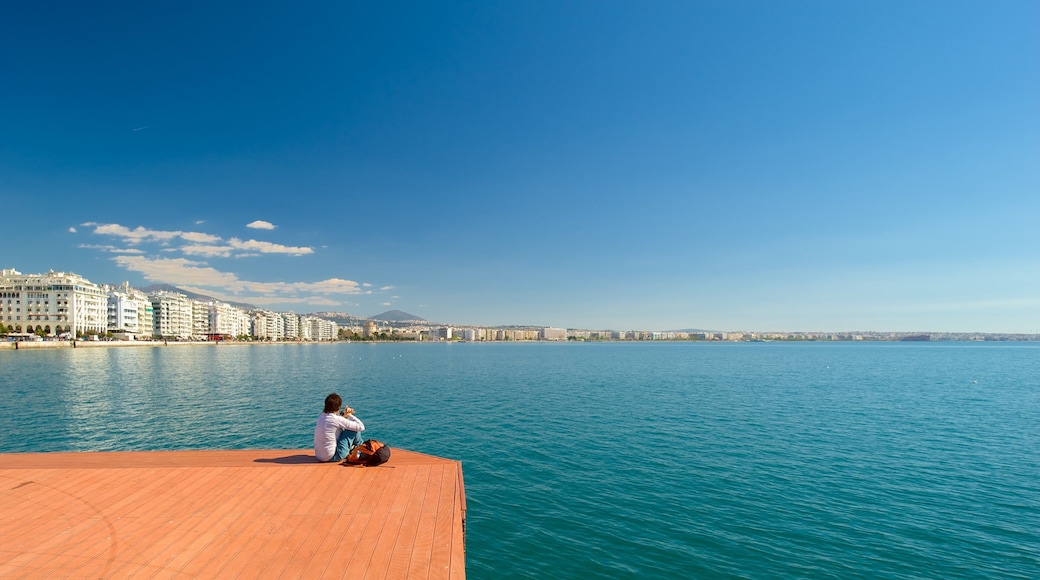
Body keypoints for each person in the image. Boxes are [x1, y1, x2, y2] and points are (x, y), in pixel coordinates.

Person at [314, 392, 365, 462]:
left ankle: (358, 449)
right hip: (334, 456)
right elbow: (361, 427)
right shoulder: (336, 420)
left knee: (349, 428)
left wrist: (344, 416)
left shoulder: (321, 417)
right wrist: (350, 415)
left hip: (319, 456)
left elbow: (335, 422)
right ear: (338, 407)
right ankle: (362, 450)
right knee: (354, 430)